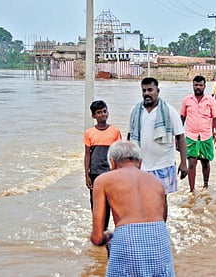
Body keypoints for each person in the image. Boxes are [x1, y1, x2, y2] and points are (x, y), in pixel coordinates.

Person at [90, 141, 175, 276]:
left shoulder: (103, 180)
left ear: (112, 162)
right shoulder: (157, 182)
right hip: (159, 238)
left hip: (127, 238)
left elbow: (97, 237)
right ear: (140, 163)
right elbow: (162, 219)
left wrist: (110, 236)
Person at [128, 77, 188, 220]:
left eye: (150, 90)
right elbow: (129, 138)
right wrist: (127, 163)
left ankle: (161, 230)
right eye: (144, 91)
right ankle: (146, 229)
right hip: (141, 166)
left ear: (158, 91)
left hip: (163, 164)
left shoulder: (169, 111)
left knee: (161, 200)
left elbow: (181, 137)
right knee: (140, 202)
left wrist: (183, 163)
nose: (147, 93)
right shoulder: (136, 112)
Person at [84, 100, 122, 231]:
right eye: (99, 113)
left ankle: (106, 229)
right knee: (95, 203)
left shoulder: (115, 132)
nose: (102, 114)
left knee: (109, 202)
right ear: (94, 116)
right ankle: (98, 228)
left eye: (104, 111)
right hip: (94, 173)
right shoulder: (89, 133)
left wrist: (118, 173)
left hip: (110, 173)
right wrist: (87, 174)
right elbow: (87, 155)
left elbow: (118, 154)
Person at [180, 75, 216, 192]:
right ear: (193, 86)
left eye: (200, 85)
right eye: (196, 85)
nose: (198, 87)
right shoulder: (187, 101)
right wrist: (178, 138)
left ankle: (205, 186)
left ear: (204, 86)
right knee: (191, 163)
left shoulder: (210, 101)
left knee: (205, 162)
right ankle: (192, 190)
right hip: (190, 136)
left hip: (206, 136)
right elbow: (182, 118)